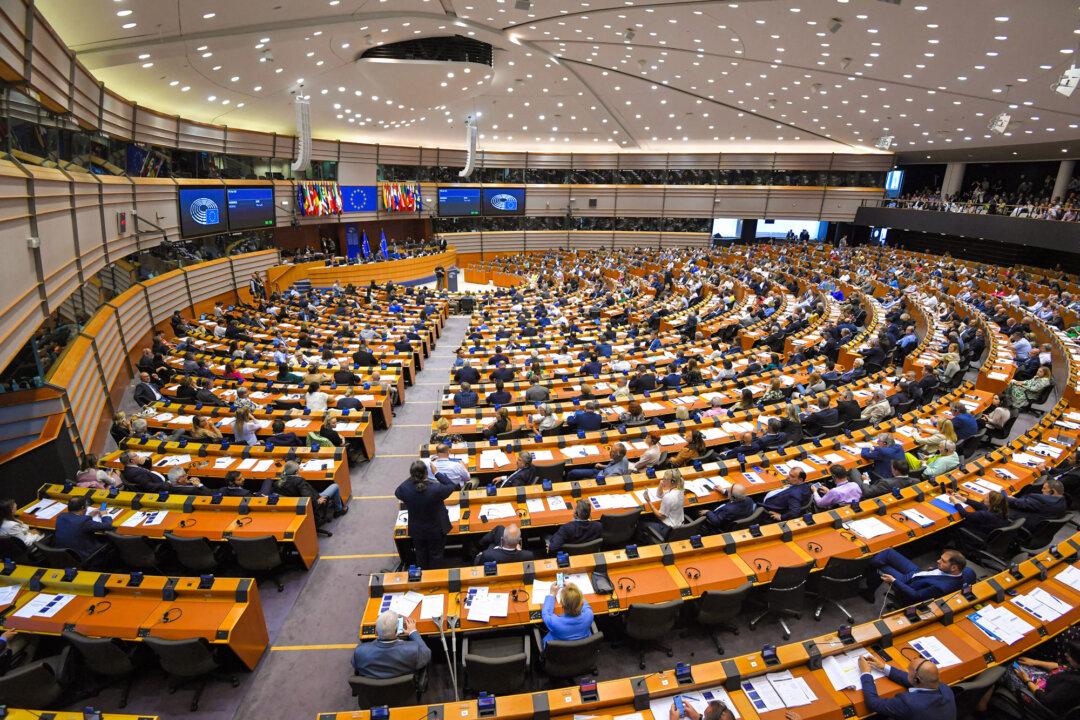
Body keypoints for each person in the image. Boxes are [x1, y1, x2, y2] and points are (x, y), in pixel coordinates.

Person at [395, 460, 456, 568]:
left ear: (412, 474)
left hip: (417, 529)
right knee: (436, 555)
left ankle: (423, 575)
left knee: (421, 554)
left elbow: (397, 492)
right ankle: (434, 578)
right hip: (436, 529)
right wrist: (436, 473)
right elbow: (451, 485)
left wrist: (412, 477)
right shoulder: (436, 489)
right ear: (426, 473)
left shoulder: (405, 489)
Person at [857, 655, 956, 720]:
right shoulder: (945, 689)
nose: (907, 672)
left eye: (909, 671)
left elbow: (873, 703)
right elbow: (912, 680)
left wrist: (865, 673)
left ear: (917, 679)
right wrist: (883, 667)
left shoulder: (909, 703)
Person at [862, 547, 973, 605]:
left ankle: (868, 590)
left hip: (906, 583)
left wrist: (894, 581)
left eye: (943, 561)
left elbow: (916, 595)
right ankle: (869, 568)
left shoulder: (942, 587)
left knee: (879, 566)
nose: (938, 561)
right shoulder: (967, 571)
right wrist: (934, 570)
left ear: (954, 568)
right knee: (888, 552)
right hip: (918, 573)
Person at [1002, 641, 1080, 717]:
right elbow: (1061, 666)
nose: (1065, 654)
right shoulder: (1076, 668)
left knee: (1006, 667)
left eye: (1069, 655)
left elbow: (1045, 700)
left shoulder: (1072, 684)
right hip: (1046, 679)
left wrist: (1026, 680)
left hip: (1039, 695)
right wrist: (1034, 662)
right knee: (1017, 662)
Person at [352, 611, 431, 679]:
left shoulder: (359, 652)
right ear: (397, 631)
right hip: (402, 688)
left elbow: (355, 665)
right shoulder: (412, 651)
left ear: (376, 631)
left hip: (372, 690)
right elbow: (426, 654)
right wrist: (413, 632)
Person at [274, 460, 347, 518]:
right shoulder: (299, 481)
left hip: (295, 505)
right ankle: (339, 510)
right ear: (296, 472)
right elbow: (307, 498)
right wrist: (318, 501)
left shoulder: (278, 482)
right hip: (312, 504)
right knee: (335, 486)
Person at [540, 581, 594, 648]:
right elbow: (582, 601)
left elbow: (546, 613)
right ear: (581, 603)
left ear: (562, 604)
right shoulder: (589, 615)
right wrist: (574, 590)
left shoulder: (555, 622)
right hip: (583, 650)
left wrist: (552, 594)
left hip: (558, 653)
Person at [640, 469, 686, 542]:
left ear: (672, 481)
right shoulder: (680, 490)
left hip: (669, 529)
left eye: (665, 479)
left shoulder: (669, 497)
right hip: (678, 525)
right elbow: (659, 495)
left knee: (641, 523)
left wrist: (649, 501)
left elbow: (660, 516)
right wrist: (661, 484)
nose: (662, 480)